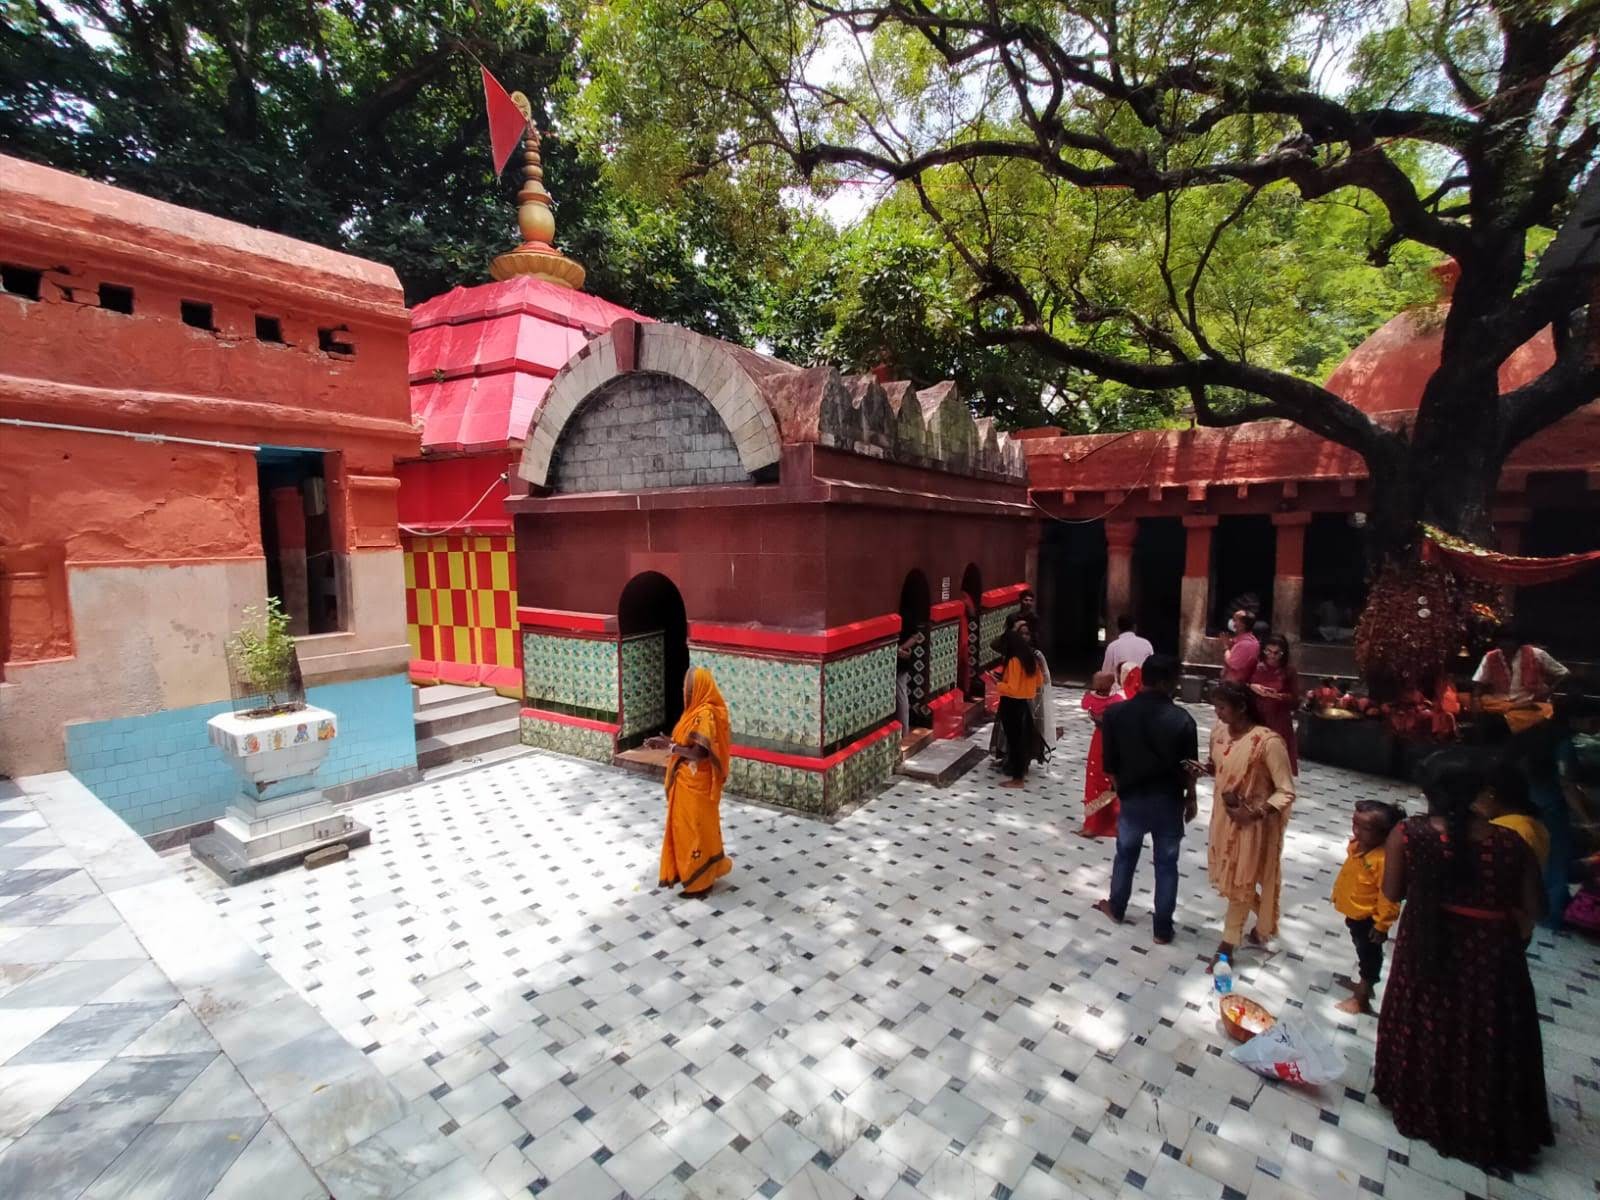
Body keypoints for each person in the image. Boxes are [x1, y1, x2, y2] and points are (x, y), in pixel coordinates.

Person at [1374, 754, 1550, 1170]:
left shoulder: (1408, 834)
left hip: (1427, 943)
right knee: (1482, 1027)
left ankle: (1419, 1101)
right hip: (1490, 955)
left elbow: (1393, 890)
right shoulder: (1510, 843)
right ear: (1478, 794)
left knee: (1426, 1017)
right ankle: (1481, 1116)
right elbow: (1534, 907)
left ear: (1426, 793)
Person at [1092, 655, 1199, 943]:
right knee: (1166, 864)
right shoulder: (1183, 720)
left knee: (1125, 855)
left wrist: (1123, 790)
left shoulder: (1115, 715)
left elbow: (1110, 766)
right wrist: (1191, 799)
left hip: (1133, 799)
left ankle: (1117, 907)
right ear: (1165, 682)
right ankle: (1162, 929)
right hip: (1169, 800)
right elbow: (1190, 768)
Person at [1201, 680, 1296, 968]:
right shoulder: (1219, 733)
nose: (1218, 714)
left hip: (1251, 826)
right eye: (1215, 707)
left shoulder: (1267, 742)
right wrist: (1204, 770)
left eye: (1222, 707)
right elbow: (1217, 764)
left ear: (1242, 708)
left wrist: (1254, 813)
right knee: (1231, 878)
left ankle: (1228, 945)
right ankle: (1266, 919)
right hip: (1222, 819)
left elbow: (1286, 791)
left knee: (1240, 881)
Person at [647, 667, 734, 899]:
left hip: (696, 785)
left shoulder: (705, 714)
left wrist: (671, 748)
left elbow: (700, 752)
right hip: (687, 782)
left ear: (699, 689)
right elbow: (684, 741)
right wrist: (666, 741)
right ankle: (699, 874)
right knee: (692, 829)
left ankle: (700, 883)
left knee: (693, 831)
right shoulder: (694, 712)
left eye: (688, 687)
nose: (684, 691)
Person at [1330, 800, 1405, 1015]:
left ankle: (1362, 997)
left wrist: (1382, 925)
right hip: (1355, 914)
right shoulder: (1358, 847)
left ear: (1385, 834)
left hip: (1369, 919)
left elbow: (1389, 896)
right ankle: (1364, 985)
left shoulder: (1383, 861)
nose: (1357, 831)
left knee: (1369, 955)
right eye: (1355, 824)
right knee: (1361, 948)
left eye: (1366, 828)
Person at [1472, 634, 1569, 734]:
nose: (1505, 646)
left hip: (1530, 704)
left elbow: (1564, 673)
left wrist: (1548, 691)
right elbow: (1479, 682)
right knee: (1484, 700)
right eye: (1503, 642)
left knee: (1544, 711)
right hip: (1501, 704)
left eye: (1509, 642)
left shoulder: (1537, 654)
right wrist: (1476, 700)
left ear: (1518, 643)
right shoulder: (1490, 657)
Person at [1476, 760, 1550, 870]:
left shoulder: (1503, 828)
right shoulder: (1533, 824)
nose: (1475, 804)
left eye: (1477, 796)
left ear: (1490, 793)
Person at [995, 626, 1042, 789]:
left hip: (1011, 703)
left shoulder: (1014, 660)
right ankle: (1019, 775)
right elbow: (1039, 682)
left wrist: (998, 684)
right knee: (1021, 741)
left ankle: (1017, 779)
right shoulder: (1030, 658)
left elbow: (1012, 688)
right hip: (1023, 704)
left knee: (1015, 742)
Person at [1079, 671, 1123, 838]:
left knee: (1097, 777)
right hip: (1111, 739)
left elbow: (1089, 709)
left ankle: (1093, 825)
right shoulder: (1119, 700)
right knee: (1108, 779)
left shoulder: (1099, 699)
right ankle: (1113, 822)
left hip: (1103, 739)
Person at [1249, 634, 1301, 775]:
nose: (1272, 656)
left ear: (1283, 653)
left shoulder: (1289, 671)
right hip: (1257, 716)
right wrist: (1253, 687)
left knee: (1275, 760)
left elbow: (1296, 699)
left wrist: (1278, 696)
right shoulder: (1256, 666)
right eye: (1268, 652)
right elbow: (1241, 684)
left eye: (1276, 653)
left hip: (1278, 719)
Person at [1102, 614, 1153, 683]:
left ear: (1118, 628)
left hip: (1119, 689)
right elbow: (1152, 668)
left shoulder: (1113, 646)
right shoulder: (1146, 644)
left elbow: (1105, 673)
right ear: (1135, 627)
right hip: (1140, 688)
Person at [895, 629, 923, 737]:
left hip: (901, 658)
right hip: (902, 655)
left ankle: (903, 731)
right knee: (901, 693)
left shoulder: (908, 613)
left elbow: (915, 636)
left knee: (901, 694)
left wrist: (900, 648)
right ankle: (903, 730)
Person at [1221, 610, 1260, 683]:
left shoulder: (1246, 644)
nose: (1232, 622)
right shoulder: (1239, 641)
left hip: (1235, 687)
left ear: (1242, 625)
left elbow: (1231, 663)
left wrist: (1226, 647)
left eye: (1235, 620)